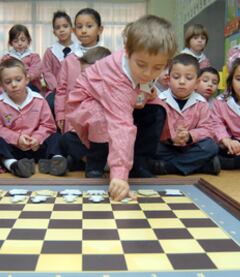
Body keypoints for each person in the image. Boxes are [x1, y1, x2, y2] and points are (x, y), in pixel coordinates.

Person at [66, 15, 177, 201]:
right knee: (101, 120)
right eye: (141, 65)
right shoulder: (116, 77)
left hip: (125, 100)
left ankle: (140, 164)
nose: (148, 73)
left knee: (157, 110)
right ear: (127, 52)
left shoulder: (146, 65)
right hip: (87, 103)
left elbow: (145, 89)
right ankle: (95, 165)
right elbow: (121, 126)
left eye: (158, 67)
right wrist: (119, 176)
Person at [0, 58, 67, 178]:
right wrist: (17, 138)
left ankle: (56, 161)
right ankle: (13, 165)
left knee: (56, 137)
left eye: (18, 80)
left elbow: (48, 125)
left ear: (26, 79)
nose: (14, 85)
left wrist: (37, 138)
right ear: (2, 85)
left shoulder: (39, 100)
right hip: (14, 150)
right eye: (8, 82)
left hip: (37, 146)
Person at [151, 54, 219, 176]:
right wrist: (171, 137)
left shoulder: (201, 103)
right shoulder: (159, 101)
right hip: (167, 147)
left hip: (190, 147)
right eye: (176, 77)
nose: (182, 82)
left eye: (188, 78)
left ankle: (167, 167)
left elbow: (208, 129)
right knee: (149, 146)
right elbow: (153, 131)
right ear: (168, 79)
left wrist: (190, 136)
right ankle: (200, 166)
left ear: (197, 82)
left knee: (211, 146)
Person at [55, 8, 103, 132]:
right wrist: (60, 113)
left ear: (100, 29)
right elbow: (61, 89)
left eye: (89, 26)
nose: (84, 30)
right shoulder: (69, 59)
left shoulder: (107, 57)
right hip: (72, 115)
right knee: (72, 146)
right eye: (79, 27)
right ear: (74, 31)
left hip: (99, 116)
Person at [41, 11, 78, 101]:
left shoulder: (79, 50)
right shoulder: (50, 52)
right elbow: (47, 72)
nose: (61, 30)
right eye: (58, 28)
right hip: (55, 91)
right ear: (54, 32)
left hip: (76, 90)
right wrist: (58, 89)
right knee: (51, 104)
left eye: (65, 26)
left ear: (72, 29)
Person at [0, 24, 43, 92]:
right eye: (16, 41)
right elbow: (2, 72)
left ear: (28, 40)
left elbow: (37, 70)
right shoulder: (6, 57)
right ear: (11, 43)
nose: (19, 43)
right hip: (12, 83)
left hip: (31, 85)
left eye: (23, 40)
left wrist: (28, 77)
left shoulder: (34, 56)